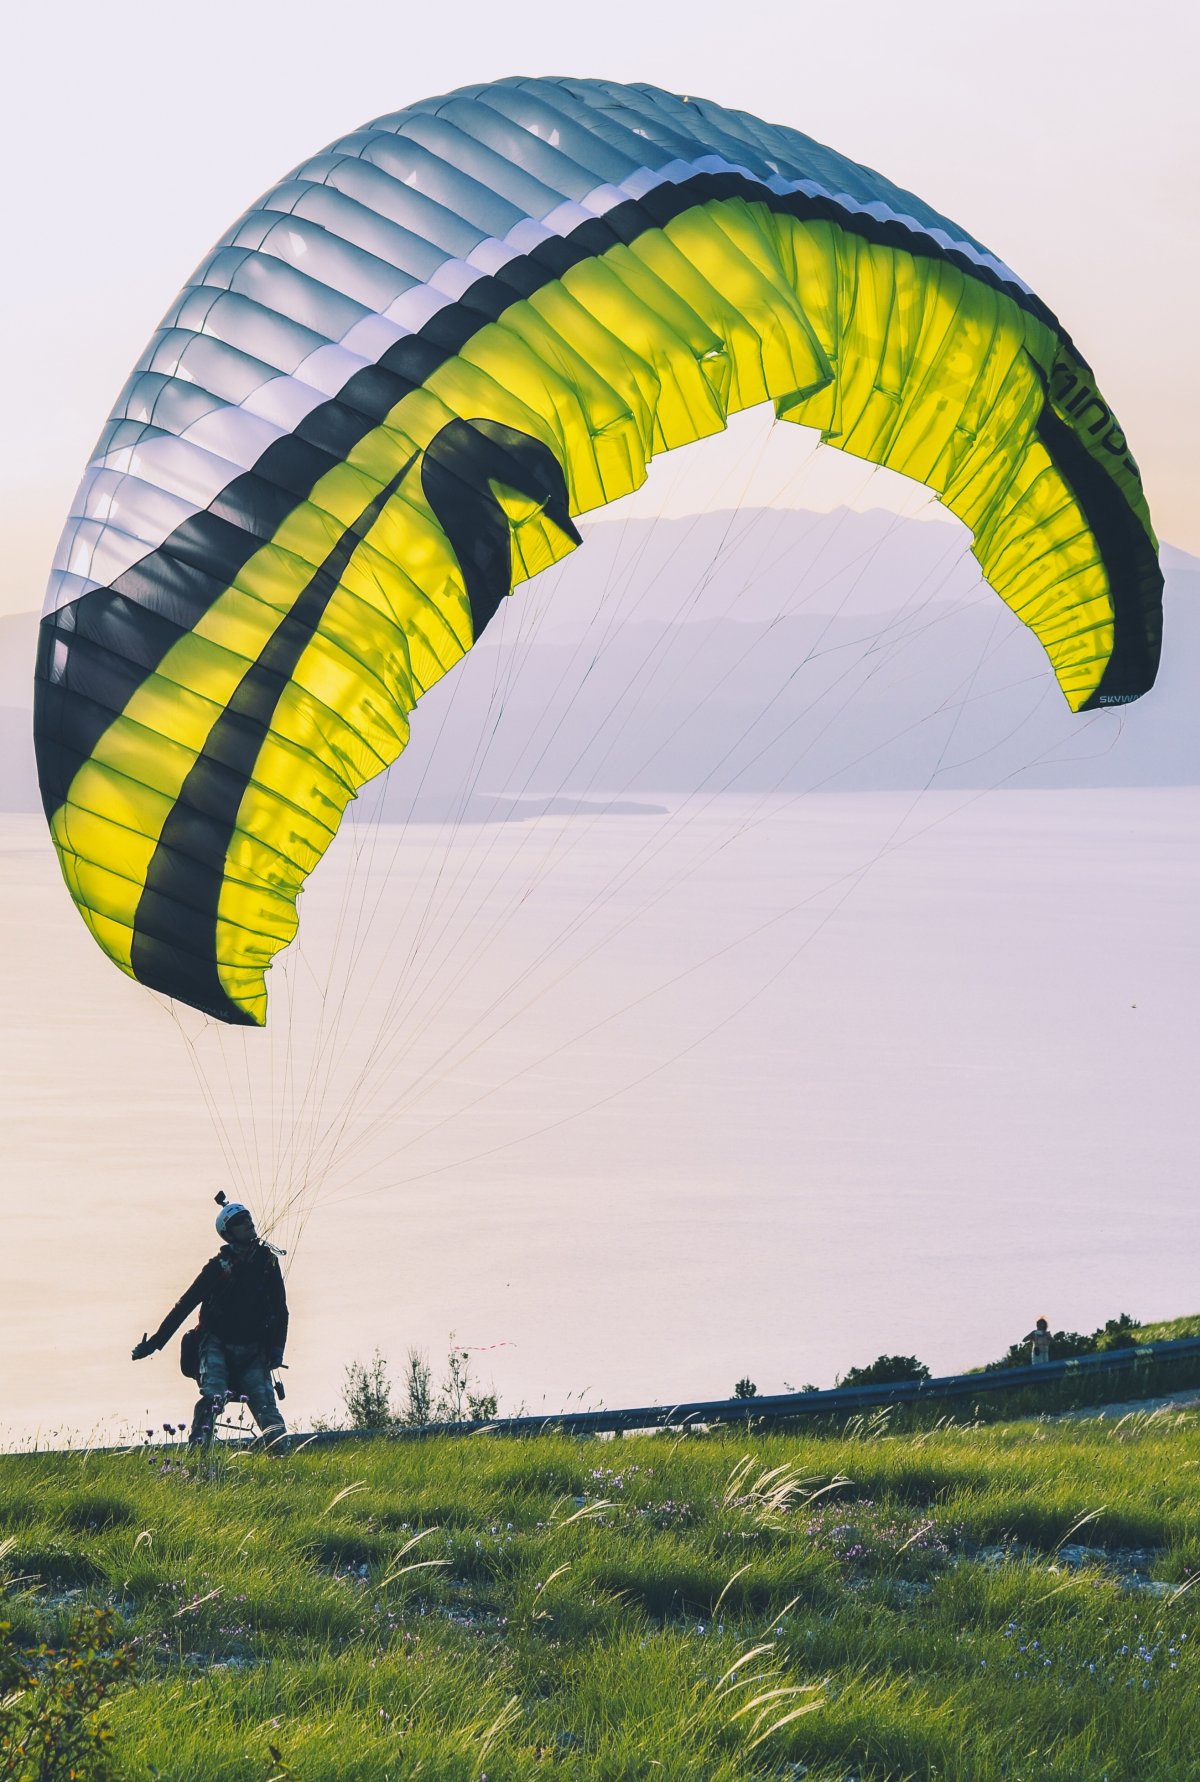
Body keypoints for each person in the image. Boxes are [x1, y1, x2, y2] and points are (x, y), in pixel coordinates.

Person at [132, 1202, 288, 1446]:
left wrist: (277, 1349)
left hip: (253, 1349)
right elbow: (185, 1305)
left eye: (248, 1218)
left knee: (266, 1405)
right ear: (228, 1233)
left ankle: (282, 1457)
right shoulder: (218, 1268)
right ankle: (199, 1451)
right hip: (217, 1345)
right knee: (213, 1396)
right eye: (240, 1221)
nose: (248, 1223)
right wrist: (153, 1344)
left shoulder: (267, 1263)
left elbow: (280, 1310)